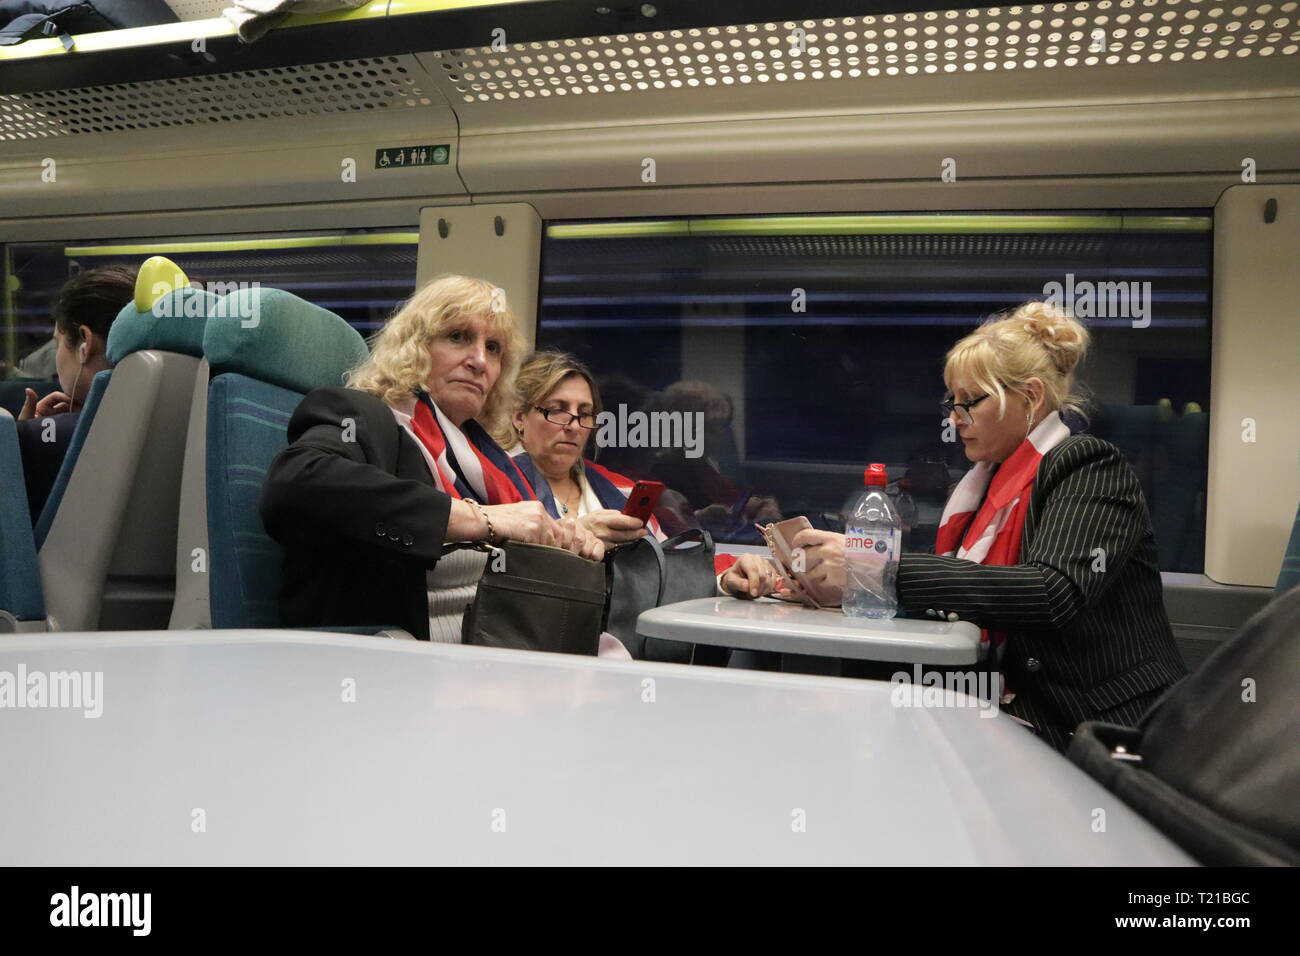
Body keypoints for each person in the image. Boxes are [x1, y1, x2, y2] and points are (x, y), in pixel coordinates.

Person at [721, 301, 1187, 752]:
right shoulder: (983, 487)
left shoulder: (1087, 466)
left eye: (971, 403)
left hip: (1091, 726)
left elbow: (1052, 591)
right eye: (953, 403)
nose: (955, 418)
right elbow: (953, 585)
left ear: (1030, 397)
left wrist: (876, 573)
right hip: (1006, 705)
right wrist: (817, 580)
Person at [261, 275, 604, 644]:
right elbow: (297, 485)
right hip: (394, 650)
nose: (479, 361)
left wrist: (566, 536)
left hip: (499, 639)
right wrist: (481, 519)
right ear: (416, 347)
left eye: (493, 348)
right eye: (458, 337)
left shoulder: (488, 458)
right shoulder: (363, 414)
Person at [498, 349, 661, 546]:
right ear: (519, 418)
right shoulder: (493, 482)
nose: (574, 426)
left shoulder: (621, 489)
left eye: (584, 414)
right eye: (557, 410)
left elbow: (664, 560)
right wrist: (580, 533)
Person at [14, 266, 136, 523]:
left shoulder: (39, 439)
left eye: (58, 342)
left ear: (84, 343)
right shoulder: (194, 419)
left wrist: (19, 444)